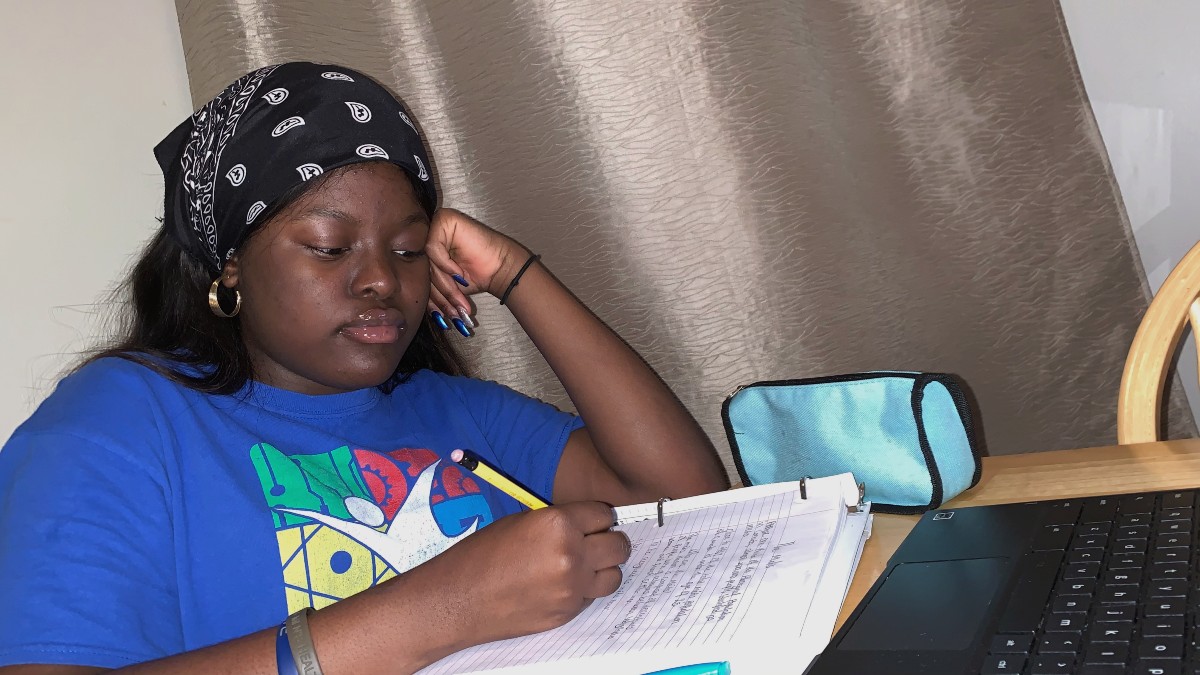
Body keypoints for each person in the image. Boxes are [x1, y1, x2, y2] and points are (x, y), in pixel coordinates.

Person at [0, 62, 728, 675]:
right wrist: (442, 609)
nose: (382, 279)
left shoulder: (452, 410)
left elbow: (688, 499)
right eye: (328, 246)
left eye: (408, 249)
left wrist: (512, 272)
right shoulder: (117, 423)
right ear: (231, 266)